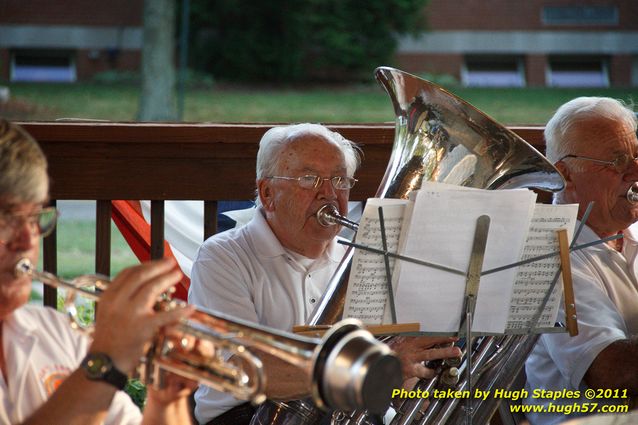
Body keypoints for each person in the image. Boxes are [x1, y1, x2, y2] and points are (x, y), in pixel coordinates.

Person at [189, 123, 461, 425]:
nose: (329, 193)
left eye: (340, 180)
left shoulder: (365, 258)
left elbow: (395, 384)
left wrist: (412, 367)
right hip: (244, 416)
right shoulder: (222, 257)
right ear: (268, 193)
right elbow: (245, 368)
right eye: (309, 179)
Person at [0, 119, 196, 425]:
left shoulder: (55, 332)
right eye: (8, 219)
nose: (28, 240)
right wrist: (107, 360)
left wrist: (167, 394)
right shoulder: (97, 363)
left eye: (36, 218)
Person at [524, 97, 638, 425]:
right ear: (566, 175)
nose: (636, 171)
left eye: (636, 154)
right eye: (617, 161)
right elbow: (612, 376)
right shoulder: (545, 254)